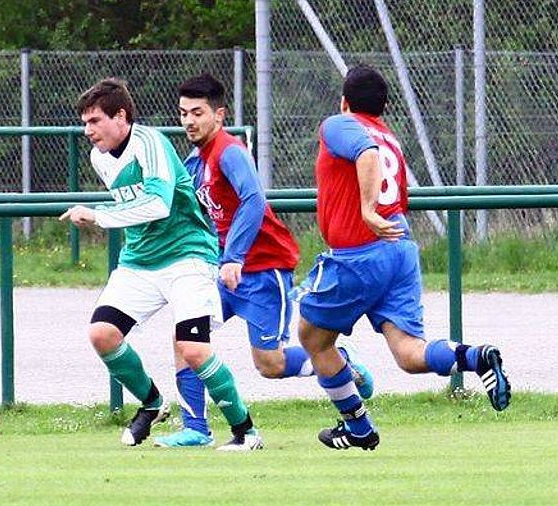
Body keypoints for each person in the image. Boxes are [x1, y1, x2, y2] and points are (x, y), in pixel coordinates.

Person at [152, 73, 375, 448]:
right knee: (185, 336)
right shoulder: (195, 161)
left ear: (218, 115)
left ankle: (343, 362)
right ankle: (196, 428)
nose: (189, 121)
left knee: (268, 365)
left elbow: (254, 199)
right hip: (224, 271)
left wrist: (235, 256)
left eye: (197, 112)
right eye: (183, 113)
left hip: (263, 271)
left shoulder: (230, 152)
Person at [298, 65, 511, 451]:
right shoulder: (391, 137)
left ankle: (358, 425)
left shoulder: (338, 125)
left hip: (358, 255)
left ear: (344, 102)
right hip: (399, 252)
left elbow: (364, 151)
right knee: (410, 354)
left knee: (313, 339)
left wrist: (364, 209)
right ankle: (475, 357)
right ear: (384, 108)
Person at [60, 78, 262, 451]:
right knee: (102, 334)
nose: (87, 131)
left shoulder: (149, 143)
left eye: (94, 121)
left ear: (121, 116)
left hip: (187, 255)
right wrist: (108, 216)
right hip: (139, 261)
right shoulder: (99, 157)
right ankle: (153, 404)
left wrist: (98, 215)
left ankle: (245, 431)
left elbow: (157, 205)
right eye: (85, 122)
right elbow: (133, 209)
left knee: (194, 349)